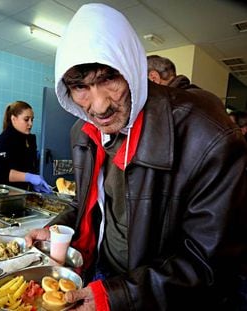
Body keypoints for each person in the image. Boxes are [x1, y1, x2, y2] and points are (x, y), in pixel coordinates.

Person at [25, 3, 247, 310]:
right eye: (80, 87)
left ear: (131, 68)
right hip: (101, 277)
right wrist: (58, 228)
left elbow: (209, 261)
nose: (99, 106)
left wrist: (118, 296)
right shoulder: (83, 133)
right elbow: (88, 203)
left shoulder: (205, 133)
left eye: (108, 80)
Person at [0, 101, 51, 193]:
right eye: (26, 119)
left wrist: (33, 184)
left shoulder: (28, 139)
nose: (30, 124)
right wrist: (29, 177)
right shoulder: (5, 141)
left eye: (32, 120)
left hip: (21, 194)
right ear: (13, 119)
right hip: (3, 195)